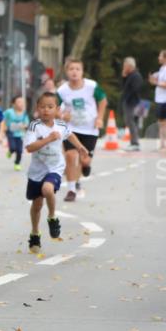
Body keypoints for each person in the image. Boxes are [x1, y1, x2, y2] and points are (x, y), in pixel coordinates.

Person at [24, 91, 89, 253]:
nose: (46, 110)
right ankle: (35, 233)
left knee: (48, 189)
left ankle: (52, 217)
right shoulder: (35, 126)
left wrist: (80, 146)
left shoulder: (61, 125)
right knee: (37, 205)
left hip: (55, 167)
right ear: (37, 108)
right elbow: (29, 148)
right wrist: (47, 139)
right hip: (37, 170)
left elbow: (70, 135)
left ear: (57, 109)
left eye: (50, 107)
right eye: (43, 107)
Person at [57, 58, 105, 202]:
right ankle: (71, 190)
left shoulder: (92, 86)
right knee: (71, 156)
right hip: (71, 129)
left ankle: (85, 166)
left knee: (84, 160)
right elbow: (54, 107)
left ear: (82, 72)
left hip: (90, 129)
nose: (74, 72)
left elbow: (103, 100)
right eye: (71, 69)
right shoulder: (62, 90)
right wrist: (61, 115)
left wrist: (100, 118)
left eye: (78, 69)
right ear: (67, 72)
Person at [149, 49, 166, 150]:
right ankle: (162, 144)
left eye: (160, 56)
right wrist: (154, 79)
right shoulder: (162, 68)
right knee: (160, 122)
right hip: (160, 99)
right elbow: (160, 80)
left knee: (165, 122)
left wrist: (155, 83)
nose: (159, 58)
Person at [120, 57, 144, 151]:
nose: (124, 68)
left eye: (125, 66)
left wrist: (127, 98)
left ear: (129, 66)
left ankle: (135, 143)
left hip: (133, 102)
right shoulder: (129, 75)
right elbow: (124, 87)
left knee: (131, 122)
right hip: (129, 102)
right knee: (129, 122)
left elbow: (135, 89)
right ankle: (133, 142)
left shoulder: (136, 76)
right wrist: (124, 77)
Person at [3, 95, 30, 170]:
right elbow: (2, 118)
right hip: (10, 132)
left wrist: (24, 126)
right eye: (19, 102)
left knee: (20, 150)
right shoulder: (9, 112)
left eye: (22, 102)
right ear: (14, 104)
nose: (21, 104)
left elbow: (26, 123)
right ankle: (10, 151)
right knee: (13, 147)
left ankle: (17, 163)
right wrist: (4, 126)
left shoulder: (24, 113)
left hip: (20, 134)